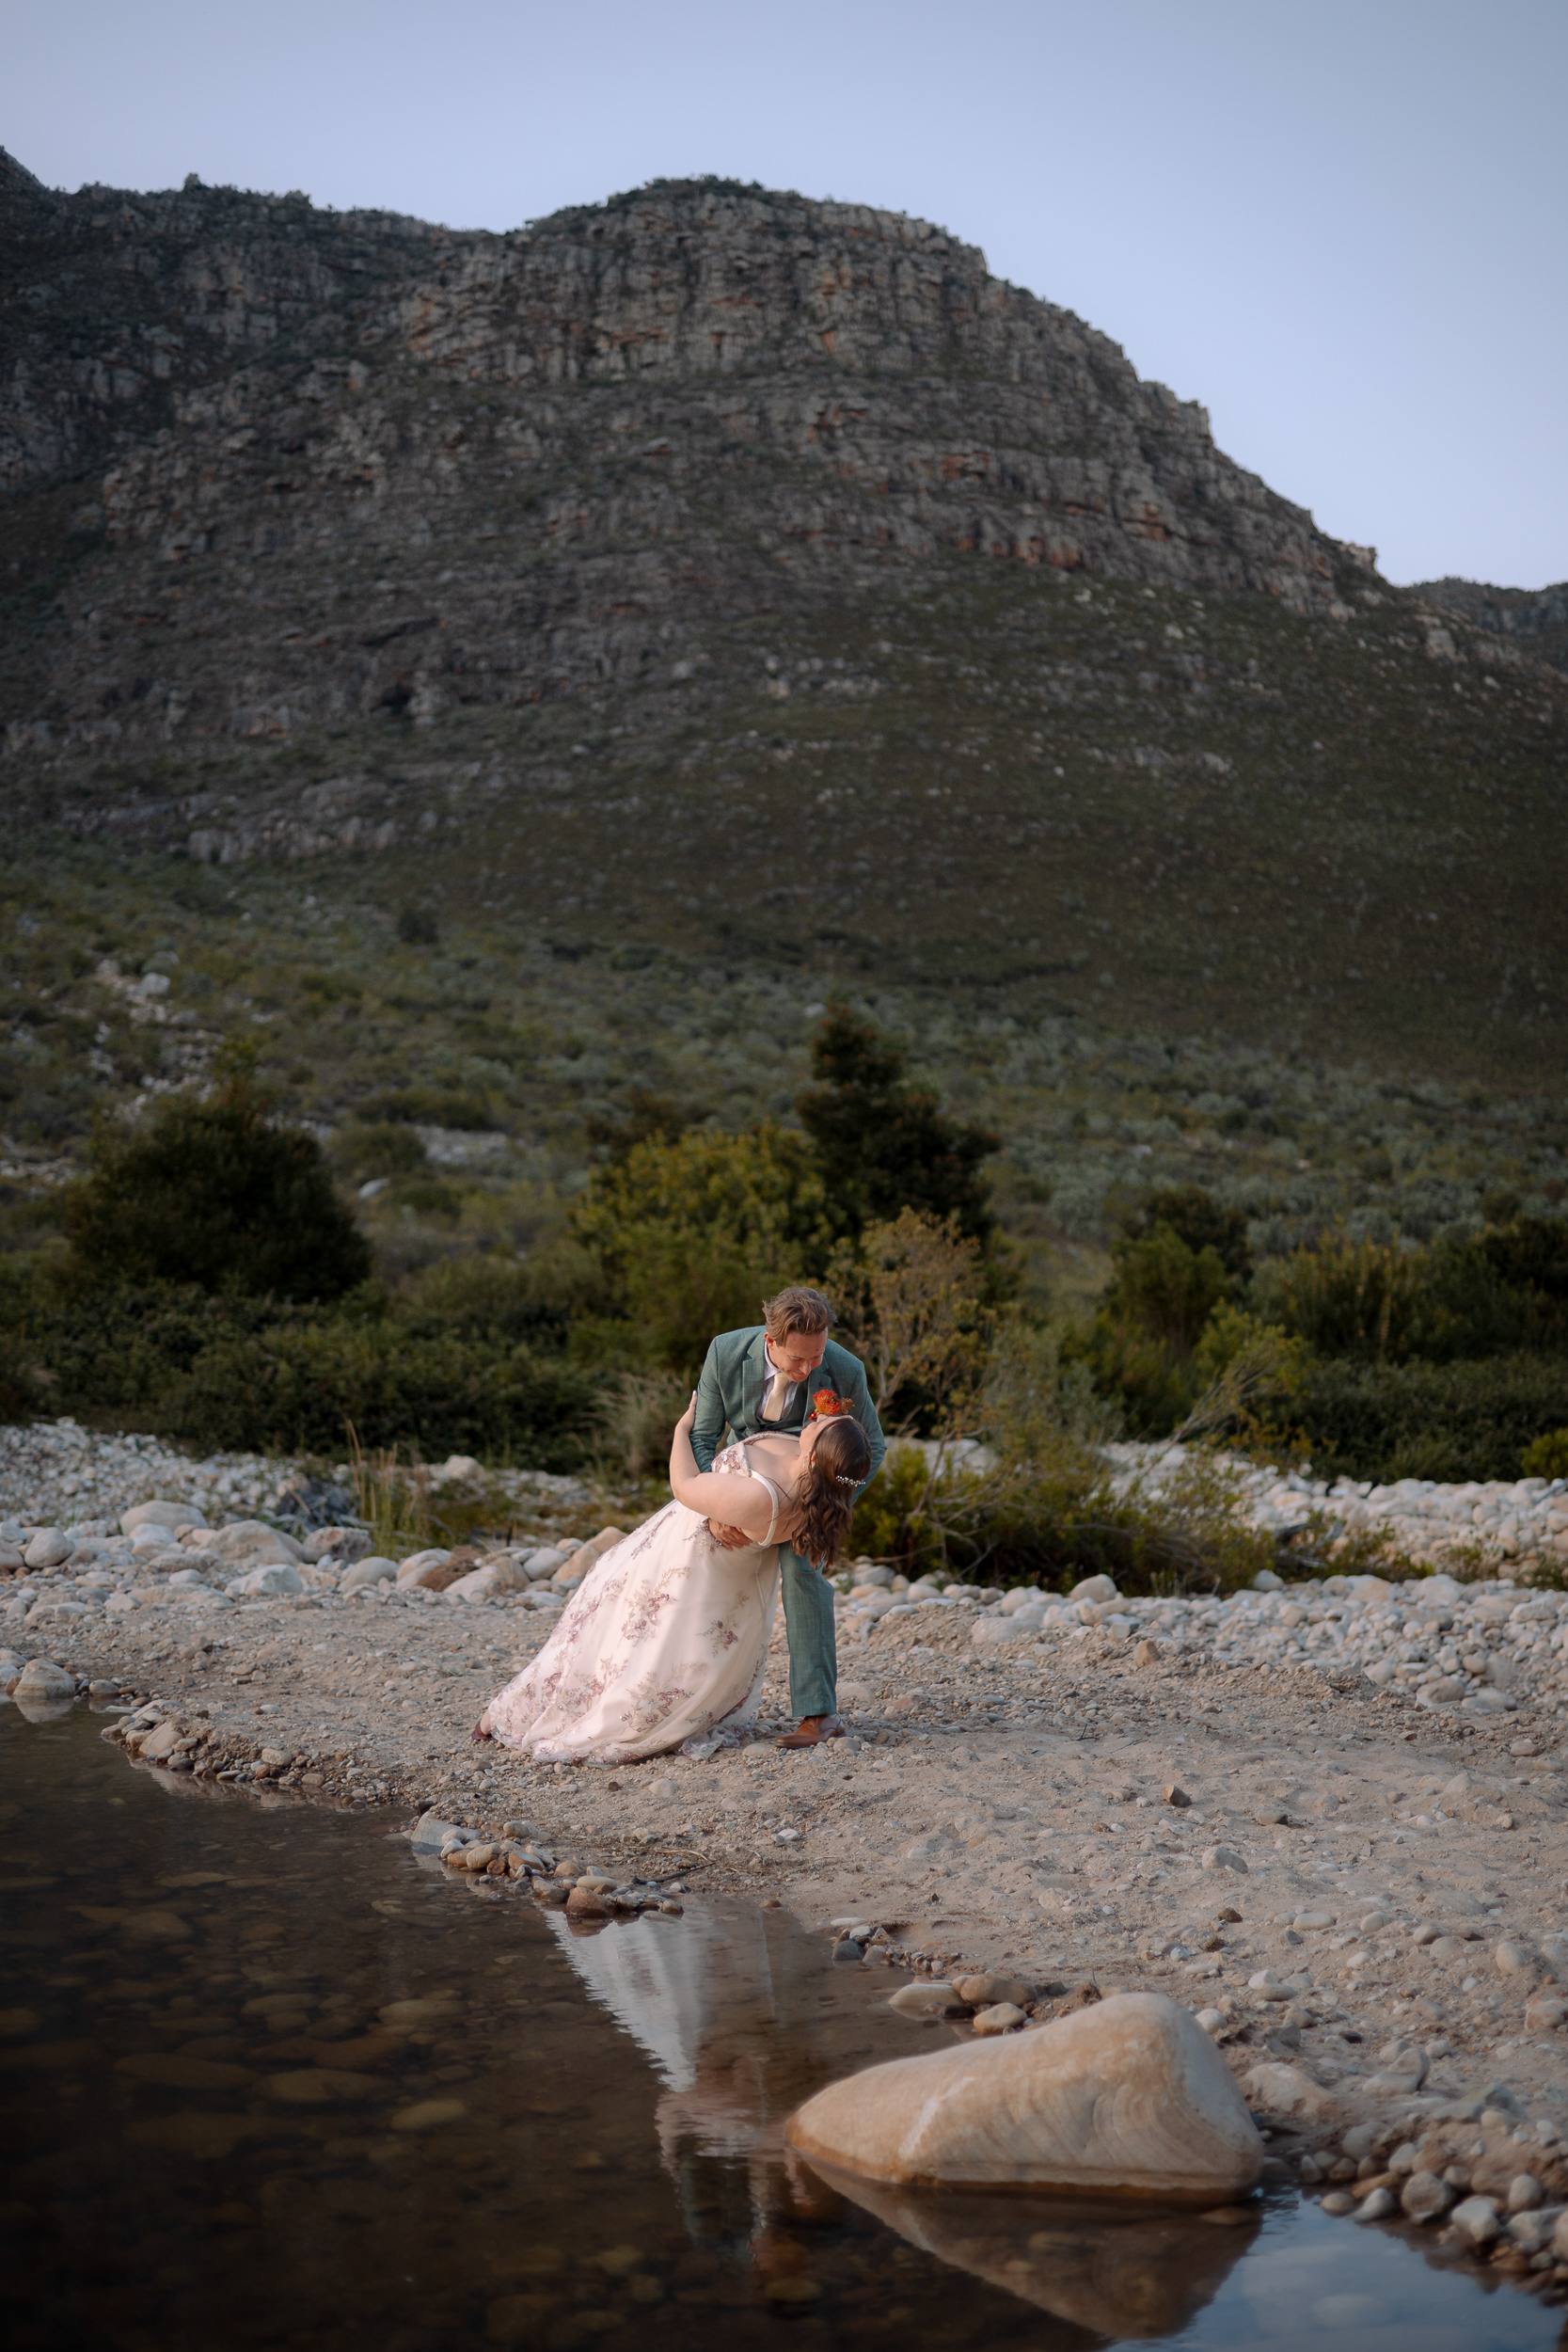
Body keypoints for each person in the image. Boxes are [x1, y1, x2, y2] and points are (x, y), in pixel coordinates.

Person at [476, 1389, 872, 1765]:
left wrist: (681, 1430)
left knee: (614, 1637)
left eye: (825, 1425)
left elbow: (685, 1486)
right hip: (718, 1574)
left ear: (817, 1457)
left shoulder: (765, 1497)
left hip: (682, 1561)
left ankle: (514, 1713)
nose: (819, 1418)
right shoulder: (817, 1488)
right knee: (630, 1640)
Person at [690, 1286, 886, 1747]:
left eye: (817, 1356)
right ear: (770, 1340)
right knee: (699, 1576)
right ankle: (697, 1707)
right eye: (798, 1359)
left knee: (803, 1574)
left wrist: (827, 1501)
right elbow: (702, 1436)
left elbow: (873, 1449)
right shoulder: (724, 1352)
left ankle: (819, 1715)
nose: (809, 1369)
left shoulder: (845, 1369)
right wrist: (715, 1508)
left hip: (807, 1496)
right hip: (736, 1493)